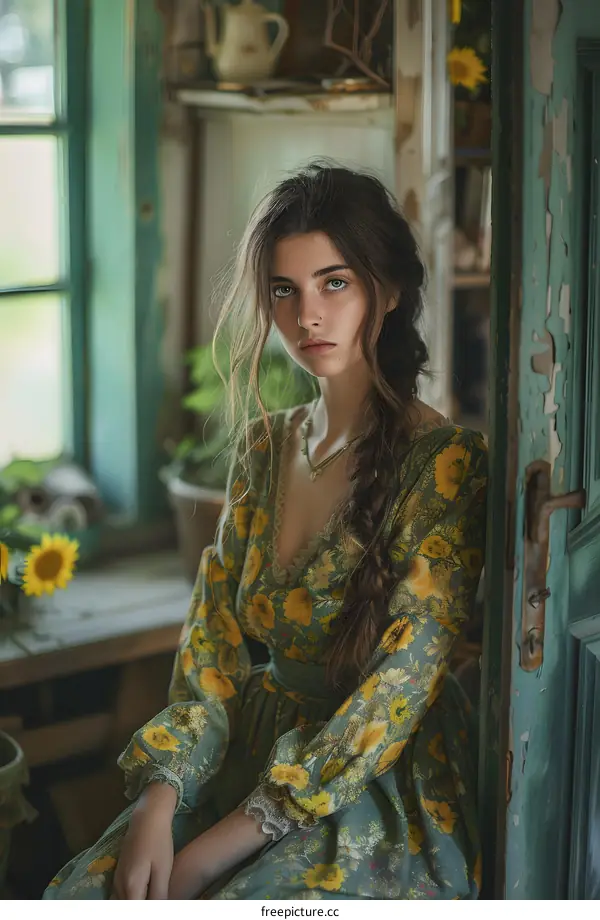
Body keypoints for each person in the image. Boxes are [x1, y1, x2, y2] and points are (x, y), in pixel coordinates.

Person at [44, 162, 488, 900]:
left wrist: (214, 851)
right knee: (85, 894)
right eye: (285, 290)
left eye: (334, 283)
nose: (307, 315)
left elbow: (397, 692)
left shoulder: (444, 463)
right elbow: (211, 644)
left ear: (389, 290)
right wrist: (160, 797)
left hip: (369, 778)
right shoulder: (264, 446)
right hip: (245, 745)